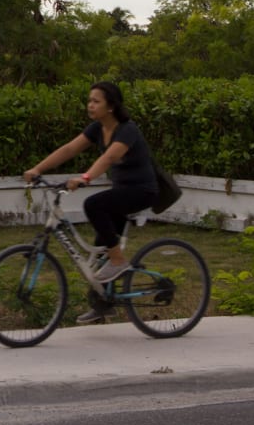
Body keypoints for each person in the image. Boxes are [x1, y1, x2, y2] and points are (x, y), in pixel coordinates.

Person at [21, 80, 159, 323]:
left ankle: (119, 261)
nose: (90, 105)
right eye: (89, 100)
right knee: (101, 246)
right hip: (121, 191)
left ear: (111, 106)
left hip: (141, 190)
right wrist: (37, 169)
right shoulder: (97, 129)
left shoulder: (127, 130)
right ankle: (102, 305)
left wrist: (85, 178)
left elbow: (110, 157)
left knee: (94, 205)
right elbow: (69, 149)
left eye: (96, 101)